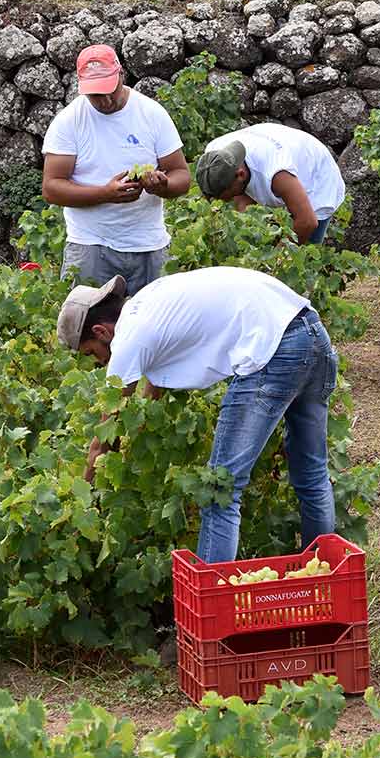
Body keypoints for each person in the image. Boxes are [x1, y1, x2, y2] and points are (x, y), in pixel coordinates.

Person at [57, 266, 339, 563]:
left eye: (92, 353)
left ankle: (214, 603)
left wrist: (84, 504)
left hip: (273, 350)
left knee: (220, 489)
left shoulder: (128, 338)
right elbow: (154, 385)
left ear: (102, 332)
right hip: (311, 333)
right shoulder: (149, 303)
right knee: (312, 474)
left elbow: (103, 438)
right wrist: (137, 436)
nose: (99, 363)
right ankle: (324, 577)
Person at [42, 44, 190, 296]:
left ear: (121, 75)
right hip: (90, 244)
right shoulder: (70, 122)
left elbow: (182, 176)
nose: (106, 100)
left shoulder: (151, 114)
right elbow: (51, 188)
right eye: (96, 95)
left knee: (155, 329)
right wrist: (105, 193)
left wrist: (162, 186)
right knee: (88, 330)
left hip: (148, 243)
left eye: (110, 90)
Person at [195, 122, 346, 245]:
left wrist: (276, 260)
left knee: (306, 253)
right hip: (283, 145)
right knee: (251, 230)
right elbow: (242, 205)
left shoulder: (276, 175)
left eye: (221, 196)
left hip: (317, 175)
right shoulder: (213, 158)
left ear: (240, 174)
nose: (218, 201)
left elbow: (307, 221)